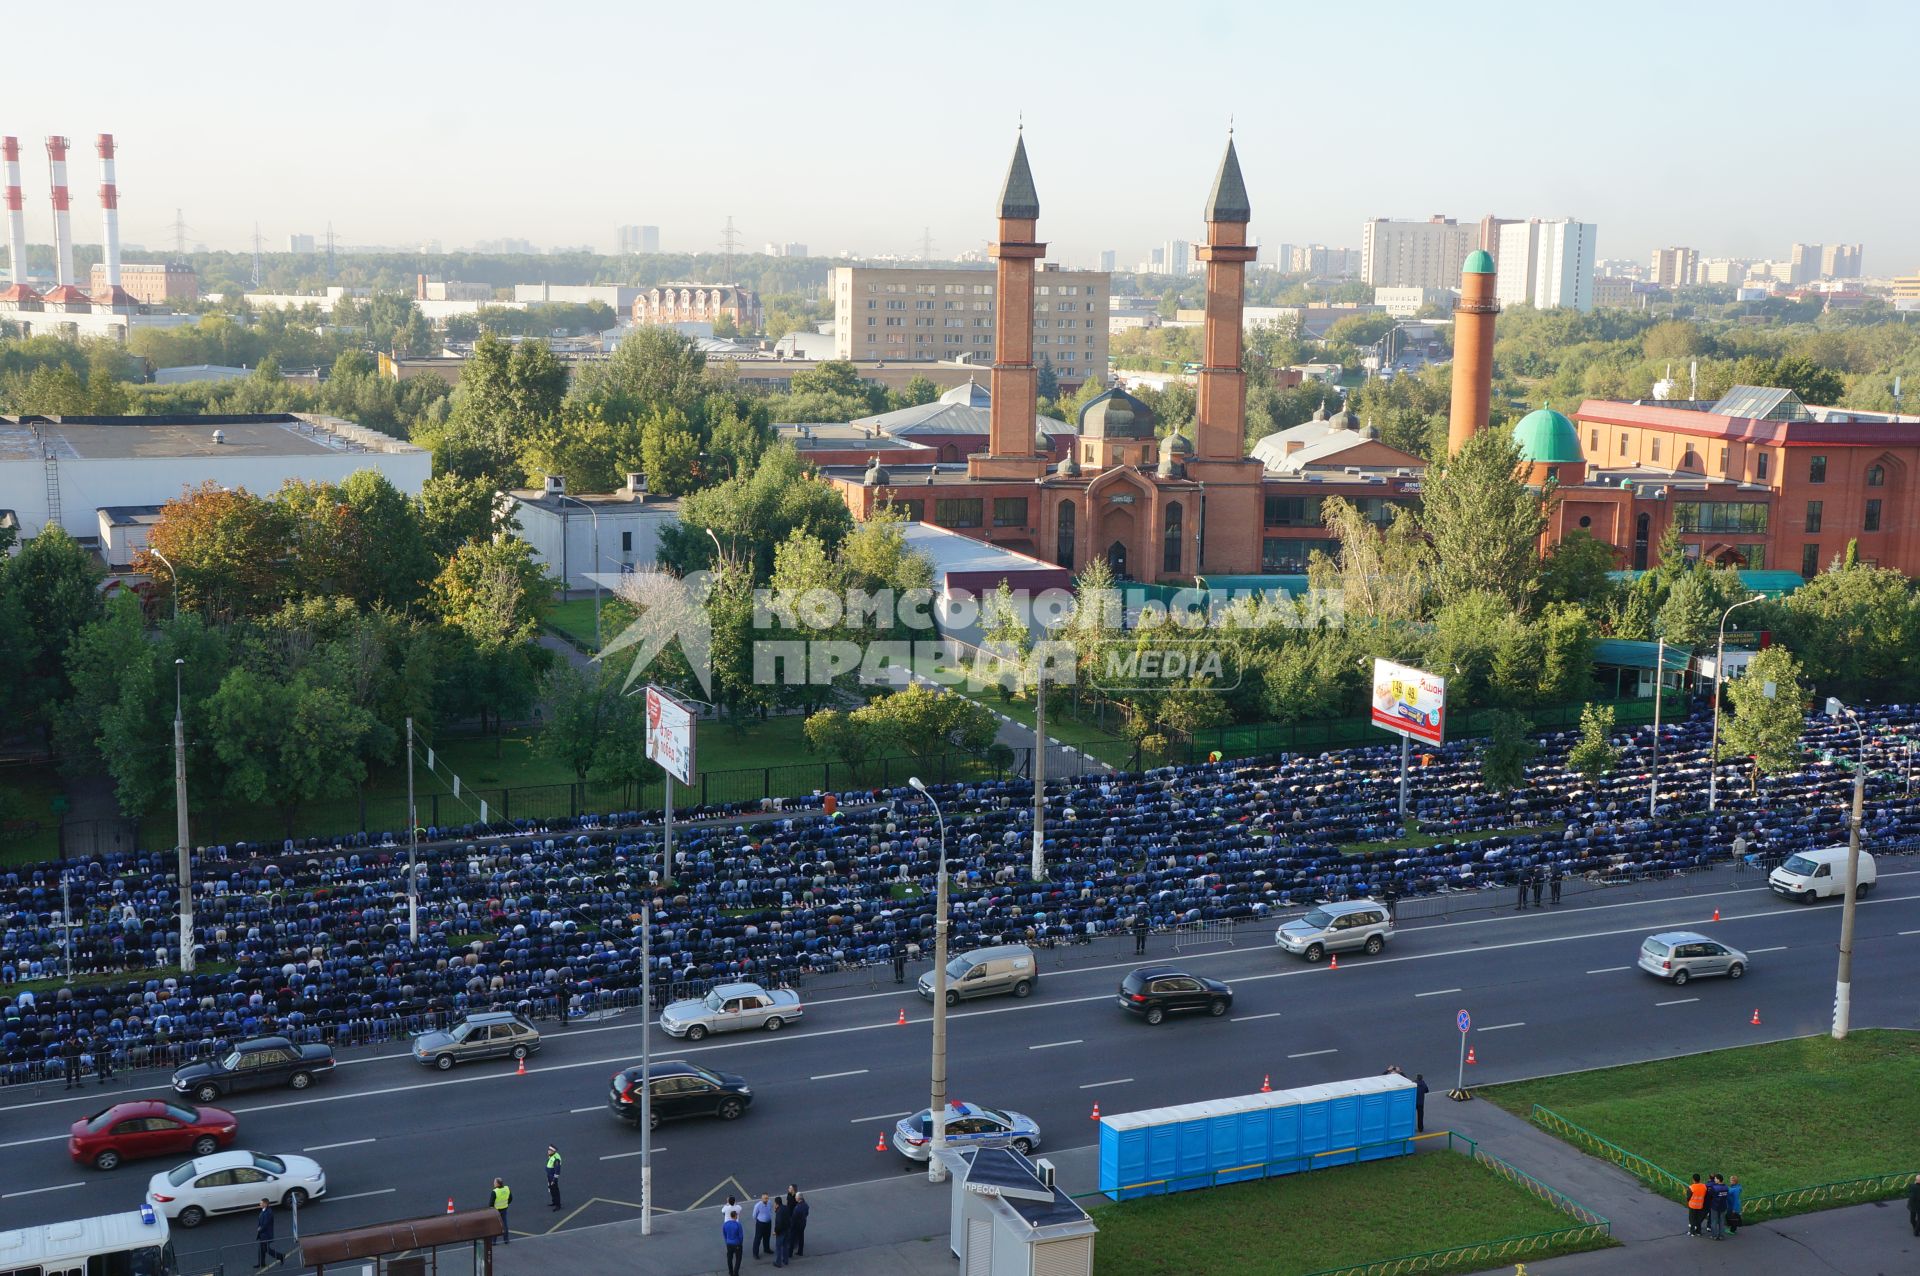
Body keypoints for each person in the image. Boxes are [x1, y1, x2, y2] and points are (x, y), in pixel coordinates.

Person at [255, 1199, 285, 1266]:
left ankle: (280, 1256)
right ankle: (261, 1263)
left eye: (261, 1203)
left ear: (265, 1204)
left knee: (266, 1249)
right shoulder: (264, 1210)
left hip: (266, 1235)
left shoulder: (268, 1213)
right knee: (261, 1250)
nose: (260, 1204)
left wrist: (259, 1229)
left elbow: (266, 1224)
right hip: (263, 1234)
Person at [772, 1191, 794, 1266]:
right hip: (787, 1230)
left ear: (776, 1204)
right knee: (785, 1246)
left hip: (780, 1232)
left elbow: (779, 1223)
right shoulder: (785, 1208)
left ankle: (778, 1262)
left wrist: (775, 1231)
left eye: (774, 1203)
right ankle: (786, 1260)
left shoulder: (779, 1212)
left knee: (778, 1247)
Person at [1706, 1173, 1729, 1240]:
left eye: (1715, 1178)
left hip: (1715, 1207)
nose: (1714, 1180)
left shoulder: (1714, 1188)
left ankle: (1714, 1235)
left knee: (1714, 1221)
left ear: (1718, 1180)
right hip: (1723, 1206)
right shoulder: (1726, 1187)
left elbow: (1710, 1195)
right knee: (1722, 1222)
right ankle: (1721, 1235)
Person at [722, 1207, 745, 1276]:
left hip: (729, 1244)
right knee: (738, 1258)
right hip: (737, 1244)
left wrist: (727, 1241)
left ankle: (730, 1272)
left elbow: (724, 1234)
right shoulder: (738, 1224)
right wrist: (740, 1243)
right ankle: (735, 1272)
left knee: (729, 1258)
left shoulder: (725, 1224)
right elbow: (741, 1236)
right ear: (735, 1216)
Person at [752, 1192, 774, 1259]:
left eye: (767, 1198)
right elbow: (754, 1215)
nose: (766, 1200)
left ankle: (766, 1249)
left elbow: (770, 1210)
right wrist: (760, 1220)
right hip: (760, 1224)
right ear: (761, 1199)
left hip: (768, 1223)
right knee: (758, 1238)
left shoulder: (770, 1203)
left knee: (767, 1236)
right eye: (764, 1198)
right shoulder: (757, 1205)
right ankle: (755, 1253)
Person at [491, 1177, 512, 1244]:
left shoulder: (495, 1192)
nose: (493, 1183)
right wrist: (506, 1203)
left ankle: (493, 1241)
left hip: (496, 1210)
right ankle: (506, 1240)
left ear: (497, 1184)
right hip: (504, 1208)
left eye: (494, 1182)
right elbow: (510, 1198)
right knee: (504, 1224)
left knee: (495, 1225)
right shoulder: (507, 1188)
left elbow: (491, 1203)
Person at [790, 1191, 809, 1257]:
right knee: (801, 1237)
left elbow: (793, 1219)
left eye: (796, 1197)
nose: (795, 1198)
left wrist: (791, 1226)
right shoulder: (806, 1205)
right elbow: (806, 1213)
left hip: (796, 1225)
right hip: (803, 1223)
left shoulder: (797, 1208)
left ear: (799, 1198)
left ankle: (790, 1253)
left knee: (792, 1238)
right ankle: (800, 1251)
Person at [545, 1145, 563, 1210]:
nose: (548, 1151)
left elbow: (557, 1171)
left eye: (550, 1150)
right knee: (552, 1190)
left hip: (553, 1178)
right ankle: (554, 1202)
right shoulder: (552, 1155)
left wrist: (554, 1180)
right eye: (548, 1150)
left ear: (553, 1151)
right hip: (550, 1176)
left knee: (555, 1191)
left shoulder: (556, 1159)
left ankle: (558, 1205)